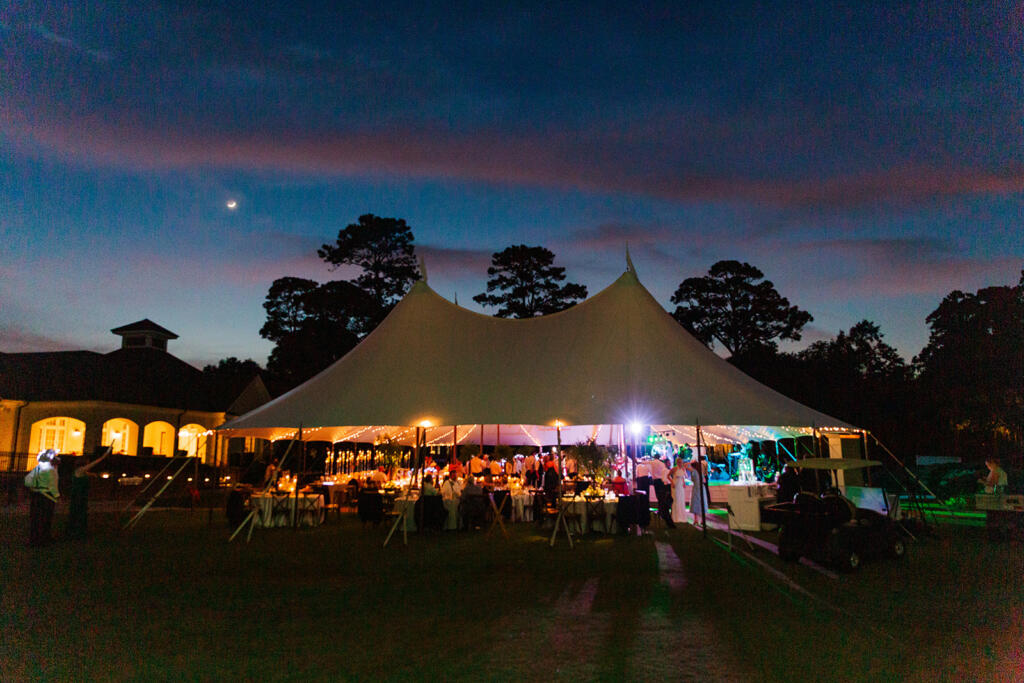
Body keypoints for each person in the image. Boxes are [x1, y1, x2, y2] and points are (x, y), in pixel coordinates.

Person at [65, 446, 111, 539]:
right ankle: (76, 531)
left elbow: (90, 474)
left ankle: (78, 530)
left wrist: (95, 475)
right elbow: (94, 463)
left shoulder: (81, 472)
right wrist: (104, 456)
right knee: (78, 512)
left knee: (81, 511)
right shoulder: (80, 470)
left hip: (81, 494)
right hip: (78, 495)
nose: (88, 463)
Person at [25, 449, 60, 546]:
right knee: (42, 517)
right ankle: (39, 539)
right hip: (44, 496)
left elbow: (28, 481)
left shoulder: (43, 469)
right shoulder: (48, 470)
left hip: (40, 496)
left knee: (41, 518)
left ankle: (40, 537)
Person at [649, 456, 675, 528]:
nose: (670, 463)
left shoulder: (652, 463)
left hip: (657, 482)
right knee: (665, 500)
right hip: (664, 485)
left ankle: (663, 512)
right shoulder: (663, 468)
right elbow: (664, 478)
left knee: (663, 499)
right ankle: (663, 513)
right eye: (669, 462)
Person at [687, 456, 709, 527]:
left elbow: (685, 466)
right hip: (702, 487)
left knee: (695, 502)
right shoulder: (700, 472)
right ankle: (703, 520)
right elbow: (704, 481)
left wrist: (689, 462)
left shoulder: (693, 471)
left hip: (696, 488)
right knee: (702, 502)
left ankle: (696, 519)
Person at [668, 457, 690, 525]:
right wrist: (672, 482)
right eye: (679, 462)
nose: (681, 464)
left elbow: (684, 476)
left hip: (681, 485)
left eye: (681, 462)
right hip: (675, 485)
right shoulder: (674, 469)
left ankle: (682, 516)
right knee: (676, 500)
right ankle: (675, 516)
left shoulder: (683, 469)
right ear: (677, 463)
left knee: (681, 500)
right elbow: (668, 476)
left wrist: (684, 483)